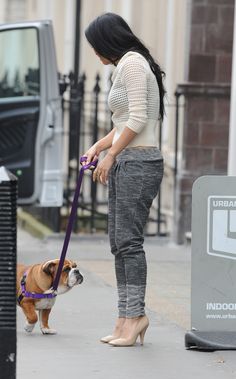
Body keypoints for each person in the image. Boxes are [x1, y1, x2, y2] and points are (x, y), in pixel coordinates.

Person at [82, 12, 165, 347]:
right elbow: (126, 119)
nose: (95, 53)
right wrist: (99, 146)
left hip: (139, 162)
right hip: (129, 159)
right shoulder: (126, 65)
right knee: (119, 243)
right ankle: (124, 317)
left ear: (108, 40)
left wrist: (112, 154)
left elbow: (141, 117)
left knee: (128, 243)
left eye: (95, 46)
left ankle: (135, 317)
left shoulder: (132, 64)